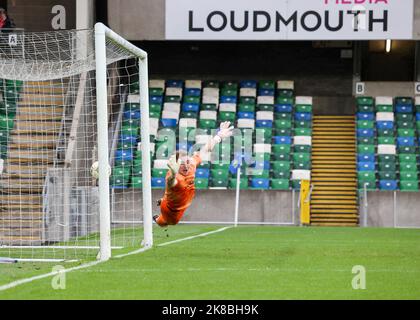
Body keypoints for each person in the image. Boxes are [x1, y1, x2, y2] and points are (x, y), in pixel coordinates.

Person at [153, 121, 234, 227]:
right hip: (172, 211)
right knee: (166, 223)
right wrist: (173, 172)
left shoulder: (191, 164)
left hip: (178, 198)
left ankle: (164, 200)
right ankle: (158, 218)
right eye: (182, 164)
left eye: (187, 162)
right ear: (176, 164)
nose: (186, 166)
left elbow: (205, 150)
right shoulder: (175, 177)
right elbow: (171, 181)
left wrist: (218, 136)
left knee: (171, 196)